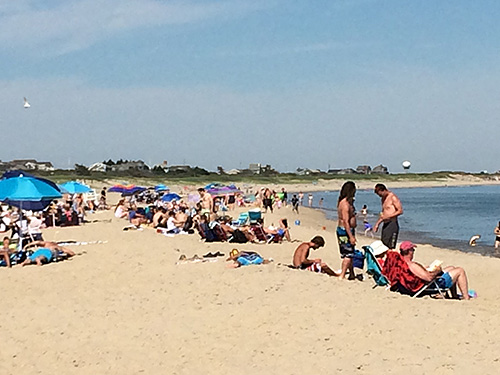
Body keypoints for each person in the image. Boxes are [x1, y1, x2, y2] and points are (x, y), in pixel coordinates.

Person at [399, 241, 470, 300]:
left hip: (420, 282)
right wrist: (437, 271)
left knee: (451, 268)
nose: (413, 252)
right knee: (460, 271)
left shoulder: (401, 263)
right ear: (409, 251)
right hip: (431, 285)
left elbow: (418, 274)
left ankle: (454, 295)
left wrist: (424, 269)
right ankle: (466, 297)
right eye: (413, 250)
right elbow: (429, 278)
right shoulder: (412, 265)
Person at [336, 181, 357, 280]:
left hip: (346, 230)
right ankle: (342, 275)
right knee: (347, 254)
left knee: (351, 253)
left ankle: (352, 273)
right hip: (345, 231)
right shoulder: (344, 204)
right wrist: (351, 236)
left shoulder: (347, 202)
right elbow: (345, 221)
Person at [374, 184, 403, 250]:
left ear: (383, 190)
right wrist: (377, 224)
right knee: (383, 245)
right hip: (385, 224)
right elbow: (384, 213)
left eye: (380, 194)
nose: (380, 196)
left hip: (392, 223)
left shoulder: (393, 197)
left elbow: (400, 211)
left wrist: (389, 216)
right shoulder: (383, 199)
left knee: (390, 247)